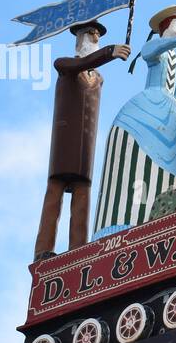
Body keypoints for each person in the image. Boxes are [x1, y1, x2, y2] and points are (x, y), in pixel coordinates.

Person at [92, 5, 176, 238]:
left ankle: (165, 227)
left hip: (171, 114)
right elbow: (150, 52)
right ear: (164, 26)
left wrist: (175, 117)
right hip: (143, 110)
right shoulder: (153, 48)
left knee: (172, 176)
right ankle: (121, 227)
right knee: (134, 176)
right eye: (175, 22)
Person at [33, 21, 130, 261]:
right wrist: (109, 52)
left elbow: (89, 66)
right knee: (54, 196)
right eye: (90, 35)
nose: (95, 39)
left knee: (82, 199)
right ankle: (43, 250)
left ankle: (78, 250)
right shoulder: (65, 64)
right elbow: (81, 63)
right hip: (65, 143)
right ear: (79, 39)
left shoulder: (97, 78)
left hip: (85, 147)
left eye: (97, 36)